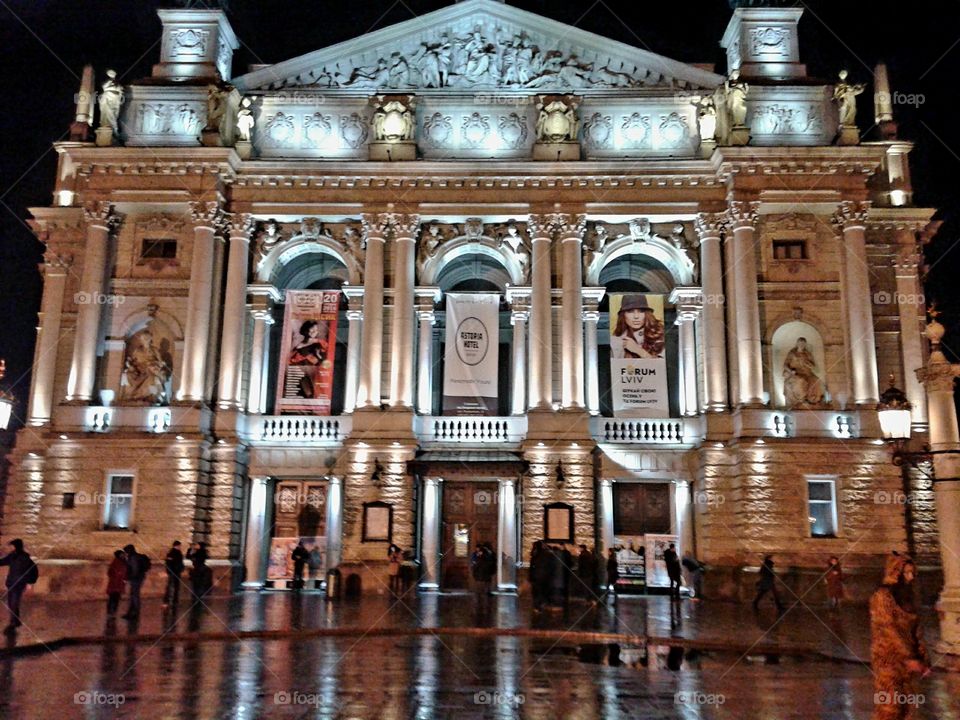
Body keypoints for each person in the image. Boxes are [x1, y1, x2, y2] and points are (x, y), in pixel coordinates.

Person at [870, 552, 930, 720]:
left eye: (913, 573)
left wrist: (923, 658)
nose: (911, 577)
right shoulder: (882, 597)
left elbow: (916, 630)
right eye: (907, 573)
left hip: (908, 664)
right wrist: (909, 657)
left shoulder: (908, 597)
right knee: (890, 707)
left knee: (908, 707)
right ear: (896, 572)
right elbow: (889, 629)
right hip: (888, 660)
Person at [0, 539, 37, 634]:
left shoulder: (25, 558)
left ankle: (12, 623)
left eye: (13, 546)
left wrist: (30, 583)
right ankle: (16, 621)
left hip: (19, 584)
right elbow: (2, 562)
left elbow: (33, 570)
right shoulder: (12, 556)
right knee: (10, 604)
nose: (11, 548)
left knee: (14, 603)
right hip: (11, 583)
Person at [122, 544, 150, 619]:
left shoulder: (133, 558)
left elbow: (135, 570)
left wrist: (129, 578)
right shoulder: (133, 557)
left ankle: (135, 613)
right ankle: (131, 612)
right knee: (133, 595)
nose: (125, 553)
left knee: (134, 596)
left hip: (136, 579)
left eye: (126, 551)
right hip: (137, 578)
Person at [163, 540, 185, 608]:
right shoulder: (174, 553)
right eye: (179, 546)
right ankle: (170, 601)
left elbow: (169, 563)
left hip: (174, 572)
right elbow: (170, 563)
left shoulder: (173, 553)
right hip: (175, 572)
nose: (180, 547)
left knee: (173, 587)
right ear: (176, 546)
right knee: (173, 587)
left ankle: (170, 601)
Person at [106, 549, 128, 616]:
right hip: (114, 584)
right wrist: (117, 575)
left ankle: (113, 611)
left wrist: (125, 579)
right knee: (112, 598)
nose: (123, 556)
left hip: (119, 584)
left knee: (117, 599)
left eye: (123, 555)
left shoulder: (124, 562)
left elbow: (126, 572)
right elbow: (110, 572)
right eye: (121, 555)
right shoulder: (115, 562)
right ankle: (110, 611)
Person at [529, 540, 546, 612]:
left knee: (536, 592)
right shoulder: (544, 555)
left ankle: (537, 606)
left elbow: (532, 567)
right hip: (541, 576)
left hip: (536, 576)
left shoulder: (534, 555)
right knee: (540, 592)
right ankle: (539, 605)